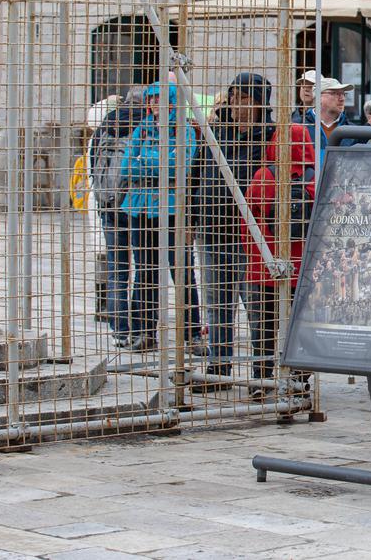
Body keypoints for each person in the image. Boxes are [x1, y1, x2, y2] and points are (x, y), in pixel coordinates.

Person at [189, 73, 273, 382]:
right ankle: (218, 366)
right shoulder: (216, 131)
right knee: (216, 302)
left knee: (255, 307)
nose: (237, 102)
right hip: (211, 228)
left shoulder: (269, 135)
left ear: (258, 102)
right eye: (235, 95)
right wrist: (190, 219)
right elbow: (195, 173)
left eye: (244, 97)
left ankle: (260, 371)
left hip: (248, 233)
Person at [121, 81, 202, 353]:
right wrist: (158, 162)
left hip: (171, 210)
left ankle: (191, 332)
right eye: (151, 99)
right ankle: (145, 331)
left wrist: (147, 161)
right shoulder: (142, 129)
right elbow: (127, 166)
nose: (154, 104)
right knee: (145, 272)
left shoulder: (184, 129)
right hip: (141, 208)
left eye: (159, 99)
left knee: (181, 272)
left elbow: (182, 164)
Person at [243, 123, 316, 389]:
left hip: (265, 268)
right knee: (299, 328)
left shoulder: (263, 176)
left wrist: (255, 258)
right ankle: (298, 381)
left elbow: (248, 223)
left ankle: (261, 380)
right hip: (302, 270)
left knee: (262, 329)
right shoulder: (315, 178)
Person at [88, 86, 147, 346]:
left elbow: (92, 164)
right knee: (144, 267)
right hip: (133, 204)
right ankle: (137, 326)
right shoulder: (144, 126)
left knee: (117, 270)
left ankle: (119, 330)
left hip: (107, 203)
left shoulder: (105, 126)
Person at [301, 77, 357, 166]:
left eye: (343, 94)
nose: (342, 98)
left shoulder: (352, 130)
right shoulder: (300, 127)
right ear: (319, 97)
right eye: (335, 93)